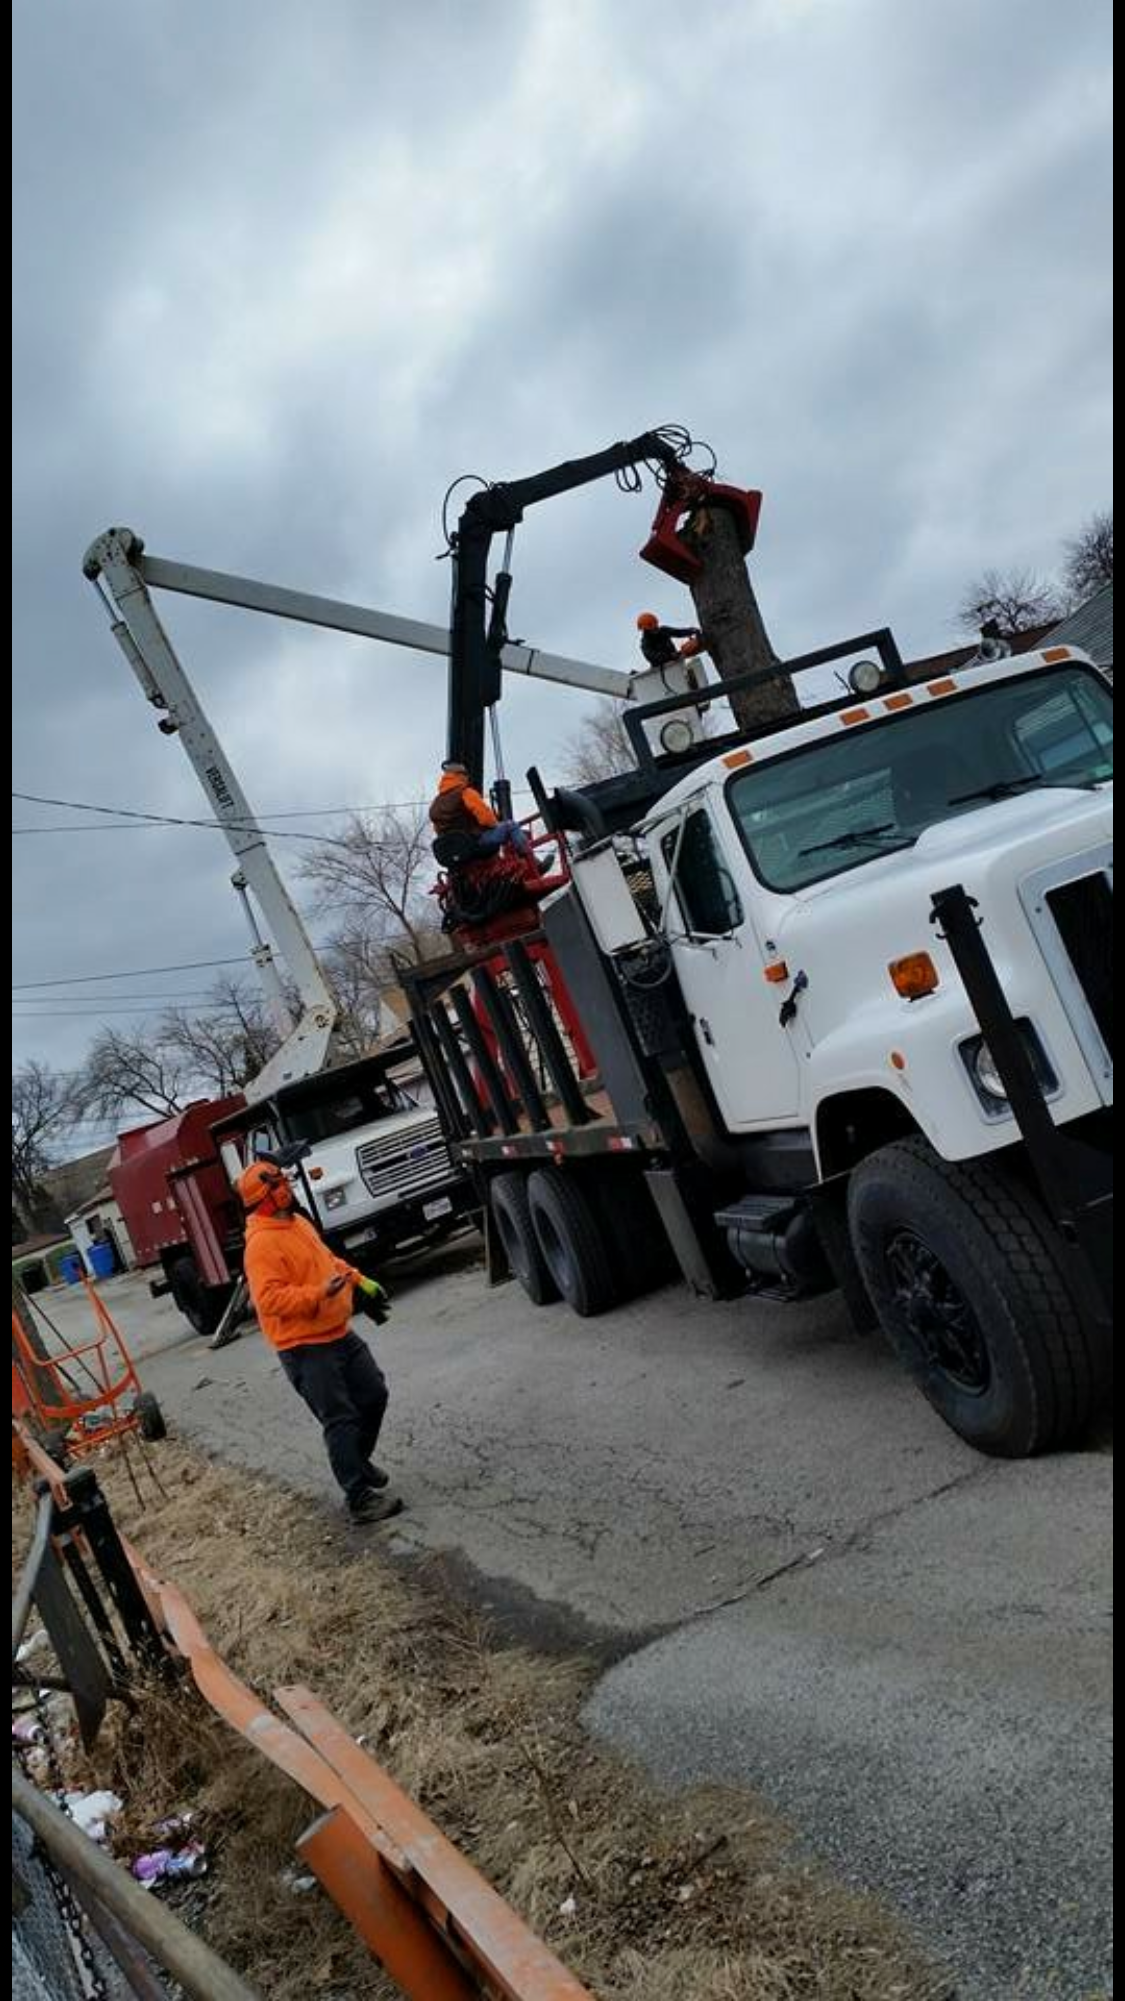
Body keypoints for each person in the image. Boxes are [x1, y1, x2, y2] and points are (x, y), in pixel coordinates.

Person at [237, 1160, 402, 1526]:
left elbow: (327, 1261)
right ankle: (359, 1498)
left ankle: (357, 1461)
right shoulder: (260, 1245)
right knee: (339, 1417)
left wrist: (359, 1281)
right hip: (304, 1346)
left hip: (339, 1331)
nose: (288, 1188)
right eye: (279, 1184)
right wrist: (316, 1295)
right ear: (264, 1197)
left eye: (285, 1181)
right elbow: (269, 1300)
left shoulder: (299, 1223)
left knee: (374, 1395)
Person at [429, 760, 532, 858]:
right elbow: (486, 818)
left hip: (451, 850)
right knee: (511, 826)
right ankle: (530, 860)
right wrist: (495, 825)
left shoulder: (435, 804)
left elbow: (438, 830)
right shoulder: (466, 793)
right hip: (475, 843)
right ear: (460, 775)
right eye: (465, 775)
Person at [636, 611, 705, 672]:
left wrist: (691, 631)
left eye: (656, 625)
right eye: (652, 627)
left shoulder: (663, 630)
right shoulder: (645, 643)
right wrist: (669, 656)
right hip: (662, 669)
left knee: (690, 648)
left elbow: (678, 632)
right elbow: (652, 657)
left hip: (675, 661)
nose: (655, 628)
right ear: (646, 630)